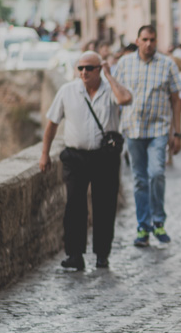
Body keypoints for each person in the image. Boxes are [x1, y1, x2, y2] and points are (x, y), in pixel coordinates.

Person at [38, 51, 133, 270]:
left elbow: (125, 99)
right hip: (76, 157)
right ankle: (74, 254)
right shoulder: (67, 91)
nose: (83, 72)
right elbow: (52, 124)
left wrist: (109, 76)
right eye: (80, 68)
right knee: (74, 205)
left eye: (89, 68)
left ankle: (102, 254)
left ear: (100, 69)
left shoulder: (111, 90)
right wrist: (45, 154)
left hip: (104, 157)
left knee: (104, 206)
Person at [117, 25, 181, 247]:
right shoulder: (125, 64)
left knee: (156, 173)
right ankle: (143, 226)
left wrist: (178, 133)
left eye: (152, 40)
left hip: (158, 130)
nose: (149, 44)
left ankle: (158, 221)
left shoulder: (167, 65)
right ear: (137, 41)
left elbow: (176, 100)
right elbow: (115, 95)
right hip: (133, 129)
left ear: (156, 41)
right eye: (145, 39)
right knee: (139, 180)